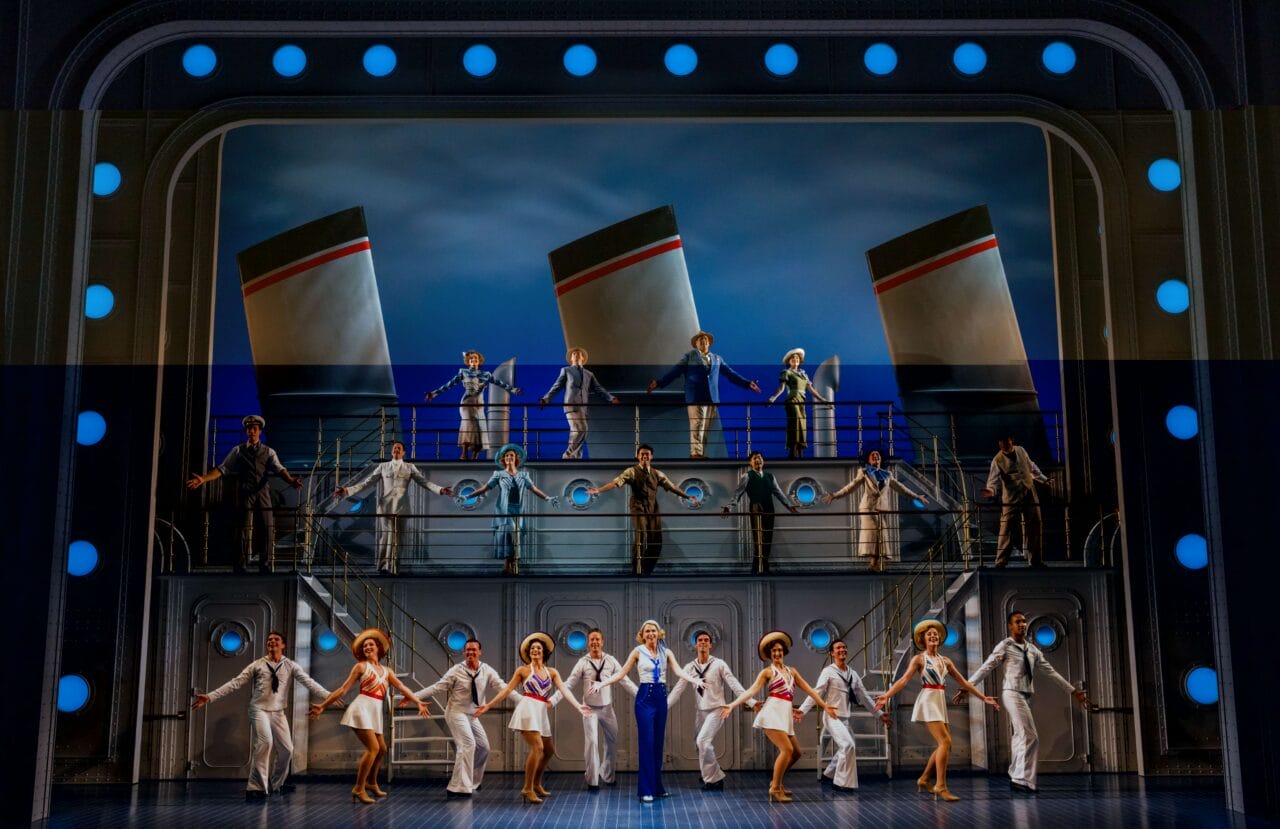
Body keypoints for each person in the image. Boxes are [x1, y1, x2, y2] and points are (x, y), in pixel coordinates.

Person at [955, 611, 1090, 793]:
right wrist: (967, 687)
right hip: (1012, 693)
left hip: (1026, 695)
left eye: (1024, 621)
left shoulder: (1032, 649)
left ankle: (1015, 774)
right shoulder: (1006, 645)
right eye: (1018, 622)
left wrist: (1074, 692)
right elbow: (987, 666)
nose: (1022, 625)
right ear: (1010, 626)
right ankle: (1023, 779)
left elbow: (1052, 672)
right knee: (1030, 736)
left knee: (1020, 736)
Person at [191, 630, 330, 801]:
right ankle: (255, 787)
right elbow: (236, 682)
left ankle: (277, 783)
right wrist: (210, 696)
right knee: (265, 743)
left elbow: (309, 682)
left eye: (276, 640)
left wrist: (329, 696)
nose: (272, 642)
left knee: (287, 749)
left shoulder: (290, 665)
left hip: (278, 712)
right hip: (259, 710)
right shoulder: (257, 665)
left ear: (283, 644)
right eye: (269, 640)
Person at [874, 620, 999, 803]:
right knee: (945, 742)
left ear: (939, 638)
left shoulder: (945, 660)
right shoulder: (919, 659)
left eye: (935, 634)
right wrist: (887, 695)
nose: (933, 636)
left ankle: (924, 779)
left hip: (939, 699)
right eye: (929, 634)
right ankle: (941, 786)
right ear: (923, 639)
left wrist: (983, 697)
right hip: (928, 699)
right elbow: (903, 680)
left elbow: (963, 682)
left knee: (945, 745)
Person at [309, 629, 432, 804]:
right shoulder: (360, 667)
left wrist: (418, 702)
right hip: (361, 709)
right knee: (373, 749)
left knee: (382, 749)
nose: (367, 647)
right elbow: (343, 689)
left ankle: (372, 783)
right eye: (365, 645)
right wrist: (322, 705)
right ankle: (358, 788)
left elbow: (402, 687)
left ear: (378, 648)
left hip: (375, 711)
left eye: (371, 644)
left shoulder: (387, 670)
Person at [594, 620, 706, 802]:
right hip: (645, 697)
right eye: (647, 631)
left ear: (658, 633)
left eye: (653, 630)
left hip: (661, 697)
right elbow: (621, 673)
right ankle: (645, 789)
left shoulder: (666, 652)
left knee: (658, 744)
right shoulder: (638, 652)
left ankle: (657, 787)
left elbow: (678, 671)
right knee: (647, 743)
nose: (651, 634)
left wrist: (695, 681)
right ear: (642, 634)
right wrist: (603, 683)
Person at [473, 632, 591, 804]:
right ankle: (527, 788)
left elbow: (564, 690)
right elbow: (506, 690)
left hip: (541, 711)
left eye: (539, 648)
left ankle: (536, 784)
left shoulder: (552, 672)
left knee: (548, 751)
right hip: (527, 709)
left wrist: (578, 706)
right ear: (529, 652)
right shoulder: (522, 671)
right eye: (533, 648)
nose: (536, 650)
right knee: (538, 747)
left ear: (544, 652)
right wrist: (488, 705)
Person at [721, 631, 838, 803]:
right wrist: (732, 705)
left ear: (784, 652)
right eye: (773, 651)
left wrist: (825, 705)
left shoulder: (792, 671)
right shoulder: (767, 672)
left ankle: (777, 781)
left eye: (779, 650)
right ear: (769, 654)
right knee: (787, 750)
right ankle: (775, 788)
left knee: (796, 753)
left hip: (785, 715)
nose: (777, 653)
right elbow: (751, 691)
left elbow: (810, 690)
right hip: (771, 713)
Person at [186, 414, 303, 572]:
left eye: (255, 429)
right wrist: (203, 479)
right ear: (246, 431)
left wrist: (291, 481)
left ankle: (265, 565)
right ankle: (239, 565)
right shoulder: (238, 450)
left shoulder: (269, 452)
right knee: (242, 529)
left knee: (267, 526)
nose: (251, 432)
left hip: (262, 492)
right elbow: (222, 469)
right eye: (249, 429)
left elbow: (279, 468)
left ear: (259, 431)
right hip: (244, 492)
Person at [416, 638, 518, 799]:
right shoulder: (456, 670)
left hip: (473, 714)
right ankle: (458, 787)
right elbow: (437, 687)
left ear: (479, 652)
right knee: (468, 744)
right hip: (456, 712)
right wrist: (414, 696)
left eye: (474, 650)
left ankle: (472, 781)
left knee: (484, 748)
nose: (470, 652)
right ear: (464, 653)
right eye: (467, 650)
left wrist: (523, 701)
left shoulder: (486, 670)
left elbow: (504, 688)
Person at [333, 440, 454, 574]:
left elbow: (424, 482)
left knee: (399, 537)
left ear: (403, 452)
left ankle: (394, 566)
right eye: (394, 448)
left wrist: (441, 489)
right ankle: (383, 566)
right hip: (385, 506)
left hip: (402, 507)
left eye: (399, 448)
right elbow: (366, 483)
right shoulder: (383, 467)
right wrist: (347, 490)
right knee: (388, 534)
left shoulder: (410, 467)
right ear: (391, 451)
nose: (396, 450)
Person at [587, 445, 700, 575]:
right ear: (637, 456)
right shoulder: (631, 471)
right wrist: (599, 490)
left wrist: (688, 496)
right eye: (642, 454)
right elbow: (616, 482)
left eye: (647, 454)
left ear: (651, 456)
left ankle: (647, 570)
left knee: (656, 541)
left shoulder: (657, 473)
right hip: (638, 506)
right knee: (640, 537)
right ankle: (637, 571)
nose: (644, 456)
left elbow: (672, 486)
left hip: (653, 507)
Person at [647, 330, 761, 459]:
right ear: (696, 344)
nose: (703, 341)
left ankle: (701, 453)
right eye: (700, 339)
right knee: (697, 424)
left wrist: (747, 383)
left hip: (711, 398)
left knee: (705, 427)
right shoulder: (689, 356)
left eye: (705, 339)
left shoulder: (717, 358)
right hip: (695, 396)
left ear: (709, 343)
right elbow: (675, 371)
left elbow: (730, 374)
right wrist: (659, 383)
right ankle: (695, 453)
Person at [794, 640, 890, 792]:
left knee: (847, 747)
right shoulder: (828, 671)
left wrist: (879, 714)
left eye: (844, 647)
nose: (842, 649)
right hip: (832, 716)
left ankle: (829, 773)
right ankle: (841, 783)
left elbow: (864, 696)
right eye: (838, 648)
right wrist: (802, 710)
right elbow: (816, 692)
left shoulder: (853, 673)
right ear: (832, 653)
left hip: (845, 717)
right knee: (848, 745)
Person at [667, 629, 757, 790]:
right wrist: (664, 707)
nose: (703, 642)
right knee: (699, 744)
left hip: (717, 709)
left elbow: (734, 684)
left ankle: (714, 779)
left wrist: (752, 702)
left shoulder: (719, 664)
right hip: (700, 711)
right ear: (695, 645)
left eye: (706, 640)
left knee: (703, 741)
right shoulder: (689, 667)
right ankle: (709, 772)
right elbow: (678, 689)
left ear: (710, 644)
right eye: (700, 640)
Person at [555, 629, 638, 790]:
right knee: (592, 743)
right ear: (588, 643)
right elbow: (569, 683)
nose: (594, 642)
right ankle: (592, 780)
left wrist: (641, 695)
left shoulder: (611, 660)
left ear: (602, 641)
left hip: (607, 709)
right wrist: (554, 699)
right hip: (589, 709)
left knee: (612, 742)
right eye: (591, 640)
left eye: (597, 639)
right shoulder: (583, 662)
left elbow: (624, 680)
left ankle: (608, 776)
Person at [822, 449, 928, 572]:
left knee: (881, 533)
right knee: (872, 532)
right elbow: (852, 486)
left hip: (881, 508)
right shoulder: (864, 472)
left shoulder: (887, 475)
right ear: (868, 459)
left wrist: (917, 496)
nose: (876, 456)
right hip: (867, 507)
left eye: (877, 455)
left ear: (881, 459)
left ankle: (876, 563)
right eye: (873, 455)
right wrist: (835, 495)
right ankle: (874, 562)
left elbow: (901, 488)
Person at [467, 443, 558, 575]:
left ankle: (510, 566)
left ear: (516, 458)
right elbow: (485, 488)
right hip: (504, 510)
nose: (509, 457)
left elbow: (534, 489)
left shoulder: (524, 475)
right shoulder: (498, 474)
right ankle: (508, 564)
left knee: (517, 536)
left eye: (512, 455)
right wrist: (469, 496)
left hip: (518, 510)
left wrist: (548, 498)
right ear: (503, 459)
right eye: (507, 456)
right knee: (510, 534)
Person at [424, 350, 522, 460]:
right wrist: (434, 393)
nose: (473, 360)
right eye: (471, 359)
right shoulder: (463, 372)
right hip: (467, 402)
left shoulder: (486, 375)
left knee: (480, 427)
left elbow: (499, 383)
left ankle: (475, 456)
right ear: (468, 362)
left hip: (479, 404)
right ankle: (464, 453)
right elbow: (449, 384)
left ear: (479, 361)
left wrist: (513, 390)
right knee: (468, 424)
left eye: (475, 358)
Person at [723, 450, 798, 574]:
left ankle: (764, 565)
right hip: (756, 507)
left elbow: (779, 493)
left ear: (763, 461)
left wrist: (790, 507)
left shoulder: (770, 476)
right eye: (755, 458)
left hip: (769, 507)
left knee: (768, 536)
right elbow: (738, 493)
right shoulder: (747, 476)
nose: (758, 460)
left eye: (759, 458)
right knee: (758, 536)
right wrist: (729, 507)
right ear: (750, 462)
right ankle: (758, 566)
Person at [981, 435, 1050, 567]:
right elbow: (993, 480)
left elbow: (1031, 466)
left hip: (1029, 492)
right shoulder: (997, 460)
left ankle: (1035, 561)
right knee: (1007, 528)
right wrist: (991, 491)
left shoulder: (1021, 450)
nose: (1003, 446)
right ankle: (1001, 562)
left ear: (1011, 441)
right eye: (1001, 444)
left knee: (1035, 525)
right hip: (1011, 498)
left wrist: (1043, 479)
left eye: (1006, 443)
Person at [539, 346, 620, 459]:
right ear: (571, 359)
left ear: (582, 358)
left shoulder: (589, 374)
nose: (576, 354)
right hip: (571, 405)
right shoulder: (566, 370)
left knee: (577, 432)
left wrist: (611, 398)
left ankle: (576, 457)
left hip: (584, 408)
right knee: (581, 429)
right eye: (574, 354)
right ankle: (567, 455)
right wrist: (546, 399)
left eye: (579, 353)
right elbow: (556, 387)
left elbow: (598, 388)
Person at [767, 347, 831, 459]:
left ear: (800, 360)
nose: (795, 360)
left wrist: (823, 400)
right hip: (792, 400)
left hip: (802, 402)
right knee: (795, 424)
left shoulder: (804, 374)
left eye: (797, 358)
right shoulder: (786, 372)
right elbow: (781, 388)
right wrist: (772, 398)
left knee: (802, 425)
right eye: (792, 358)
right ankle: (793, 451)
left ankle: (800, 452)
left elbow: (811, 390)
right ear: (789, 361)